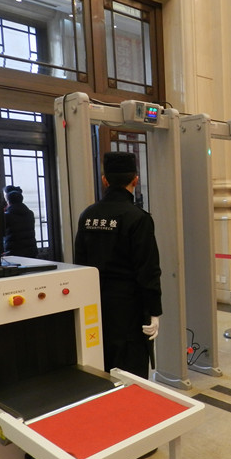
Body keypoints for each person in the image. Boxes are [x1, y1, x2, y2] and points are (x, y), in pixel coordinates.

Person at [74, 152, 161, 379]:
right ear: (135, 180)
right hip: (129, 309)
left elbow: (79, 265)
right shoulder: (138, 218)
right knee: (129, 371)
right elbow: (148, 270)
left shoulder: (87, 215)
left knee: (99, 366)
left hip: (94, 305)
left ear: (105, 180)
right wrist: (154, 311)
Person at [3, 185, 38, 258]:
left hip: (13, 252)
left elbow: (0, 232)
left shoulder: (7, 216)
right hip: (31, 252)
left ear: (8, 201)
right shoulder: (30, 213)